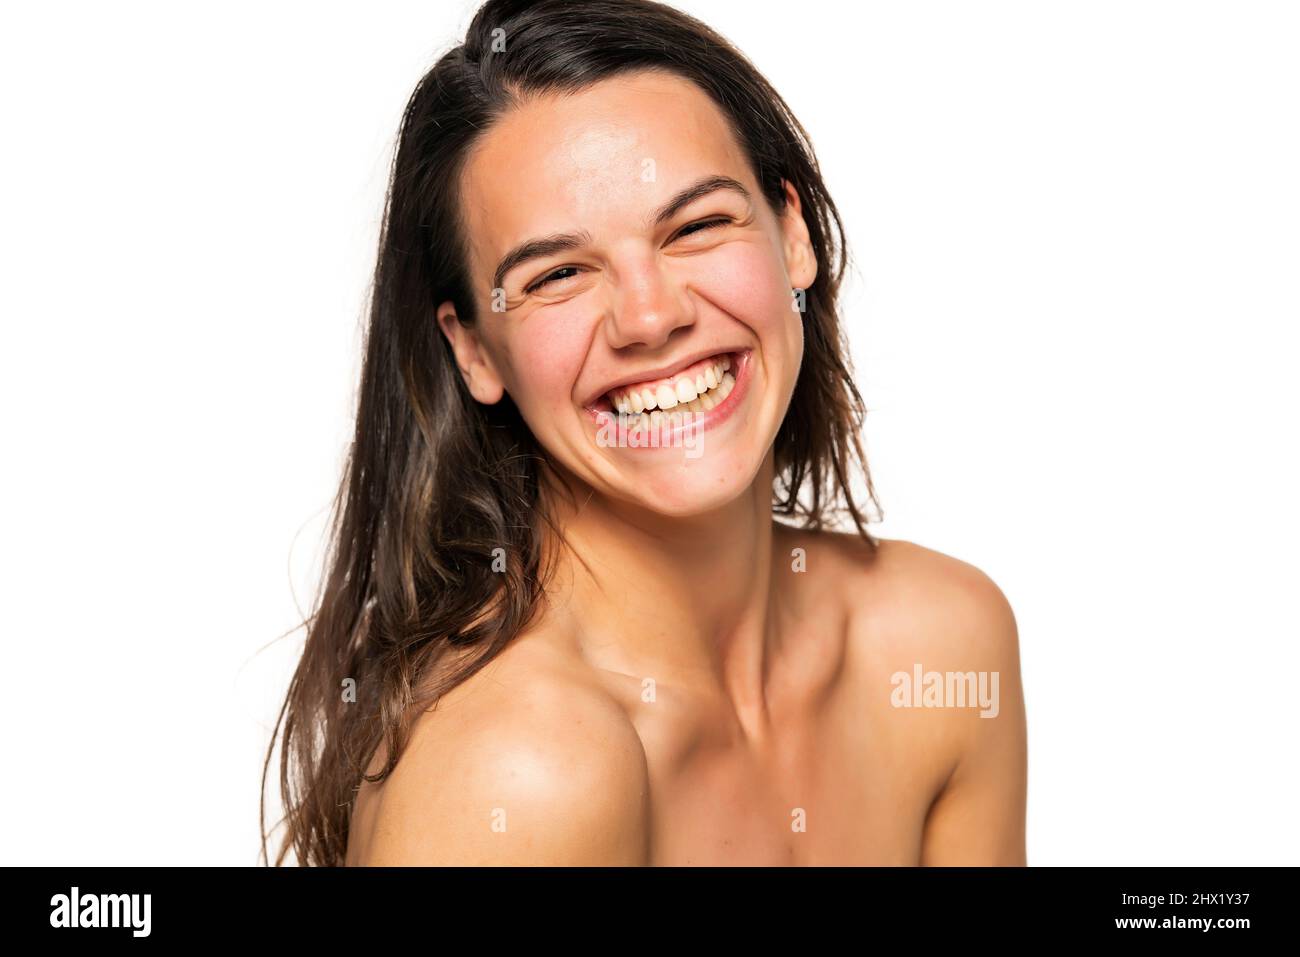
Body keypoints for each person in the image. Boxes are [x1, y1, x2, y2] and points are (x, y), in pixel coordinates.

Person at [262, 0, 1027, 867]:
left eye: (697, 225)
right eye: (557, 274)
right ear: (473, 348)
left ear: (793, 235)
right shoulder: (515, 772)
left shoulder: (943, 645)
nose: (652, 316)